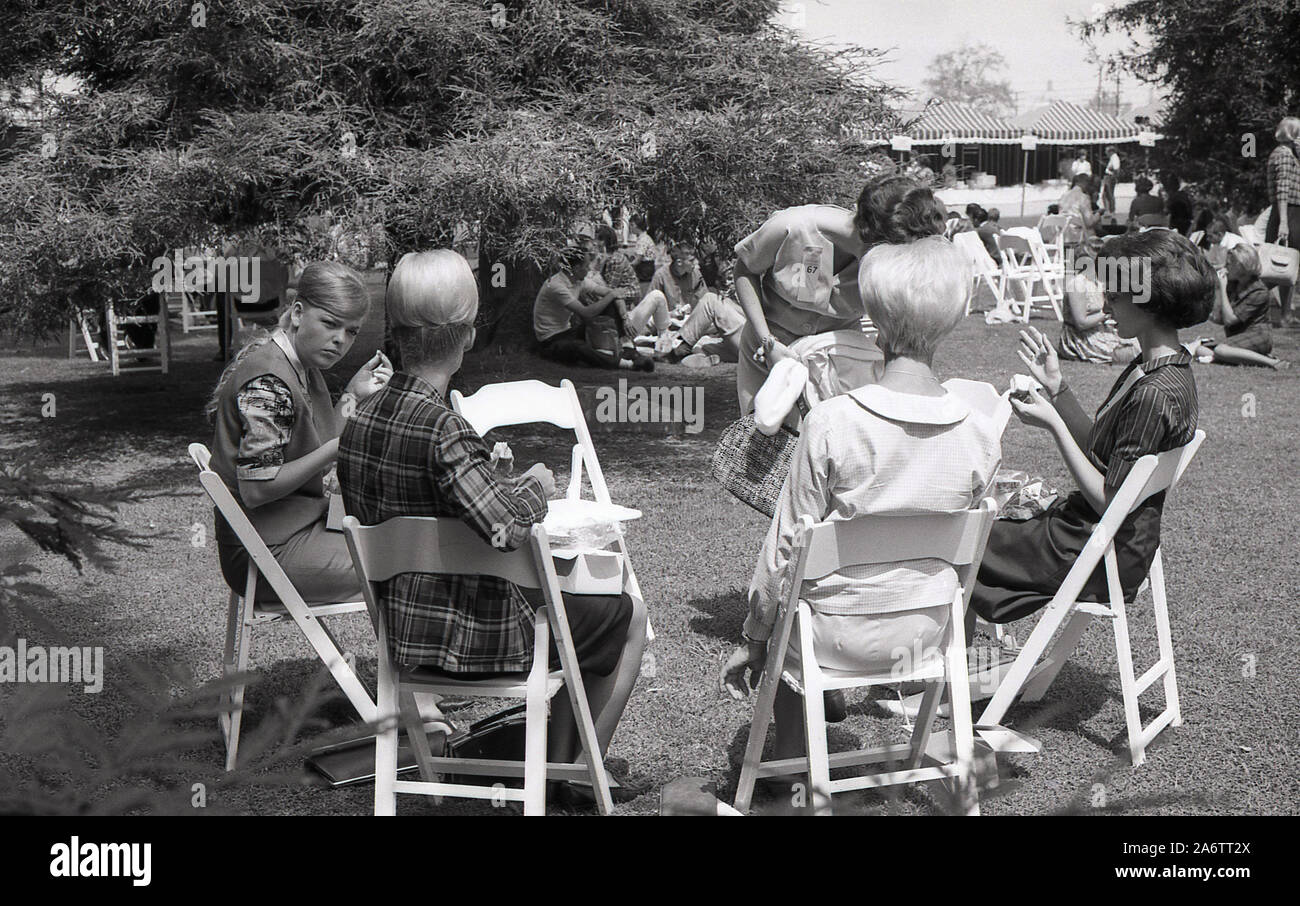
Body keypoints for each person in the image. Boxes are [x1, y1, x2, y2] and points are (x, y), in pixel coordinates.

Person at [337, 250, 649, 803]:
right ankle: (578, 778)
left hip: (404, 639)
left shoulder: (359, 421)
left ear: (399, 330)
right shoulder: (443, 429)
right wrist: (533, 484)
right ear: (467, 335)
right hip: (477, 640)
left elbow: (427, 508)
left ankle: (559, 769)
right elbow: (507, 525)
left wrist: (491, 480)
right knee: (627, 614)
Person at [719, 237, 1002, 777]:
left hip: (832, 637)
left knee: (789, 605)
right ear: (954, 319)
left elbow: (783, 553)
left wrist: (755, 639)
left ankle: (789, 767)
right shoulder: (980, 434)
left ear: (872, 314)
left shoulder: (832, 423)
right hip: (928, 634)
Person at [970, 230, 1215, 626]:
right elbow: (1102, 452)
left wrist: (1053, 424)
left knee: (963, 542)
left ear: (1148, 302)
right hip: (1099, 538)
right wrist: (1058, 388)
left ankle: (951, 676)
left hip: (1096, 550)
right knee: (981, 528)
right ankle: (967, 672)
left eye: (1114, 297)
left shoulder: (1154, 393)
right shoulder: (1160, 370)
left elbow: (1109, 499)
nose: (1103, 306)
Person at [208, 260, 393, 606]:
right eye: (330, 324)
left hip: (290, 533)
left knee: (394, 544)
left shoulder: (300, 365)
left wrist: (353, 394)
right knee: (399, 565)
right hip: (265, 554)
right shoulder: (270, 382)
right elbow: (256, 489)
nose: (339, 340)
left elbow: (315, 445)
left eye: (350, 331)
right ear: (297, 313)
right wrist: (340, 448)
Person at [732, 174, 947, 415]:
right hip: (770, 347)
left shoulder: (895, 254)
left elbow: (893, 321)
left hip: (841, 357)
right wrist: (767, 340)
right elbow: (744, 270)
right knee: (764, 436)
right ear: (870, 232)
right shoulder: (793, 226)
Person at [533, 246, 652, 371]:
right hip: (551, 340)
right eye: (586, 266)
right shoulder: (556, 286)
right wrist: (612, 294)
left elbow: (613, 294)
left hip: (568, 332)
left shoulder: (578, 281)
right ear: (577, 268)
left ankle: (628, 348)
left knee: (609, 303)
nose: (589, 269)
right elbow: (586, 312)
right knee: (578, 347)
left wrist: (624, 317)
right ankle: (626, 364)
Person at [1186, 244, 1290, 369]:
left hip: (1258, 336)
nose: (1226, 266)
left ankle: (1271, 362)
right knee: (1201, 350)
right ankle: (1244, 357)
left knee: (1220, 350)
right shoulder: (1234, 284)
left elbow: (1230, 320)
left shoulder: (1259, 291)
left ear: (1242, 266)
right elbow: (1220, 318)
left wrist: (1223, 288)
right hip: (1238, 337)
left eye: (1230, 264)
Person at [1057, 247, 1141, 365]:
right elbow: (1081, 323)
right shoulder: (1077, 285)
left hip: (1101, 330)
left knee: (1141, 343)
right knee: (1130, 352)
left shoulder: (1099, 282)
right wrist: (1107, 312)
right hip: (1081, 338)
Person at [1265, 116, 1300, 326]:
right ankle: (1238, 301)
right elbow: (1282, 190)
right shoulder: (1284, 155)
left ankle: (1286, 315)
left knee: (1288, 266)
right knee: (1275, 267)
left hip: (1290, 212)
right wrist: (1284, 222)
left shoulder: (1289, 154)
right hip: (1288, 212)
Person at [1058, 174, 1101, 243]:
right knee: (1099, 233)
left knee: (1070, 251)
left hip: (1065, 236)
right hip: (1080, 237)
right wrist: (1098, 214)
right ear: (1085, 183)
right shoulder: (1083, 197)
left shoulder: (1063, 196)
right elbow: (1089, 222)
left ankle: (1070, 253)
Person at [1102, 146, 1121, 214]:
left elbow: (1116, 169)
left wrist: (1113, 177)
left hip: (1110, 177)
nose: (1106, 153)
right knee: (1106, 194)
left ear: (1111, 151)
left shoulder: (1115, 158)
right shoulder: (1112, 158)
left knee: (1108, 194)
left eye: (1107, 152)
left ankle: (1111, 210)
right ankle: (1109, 209)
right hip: (1109, 177)